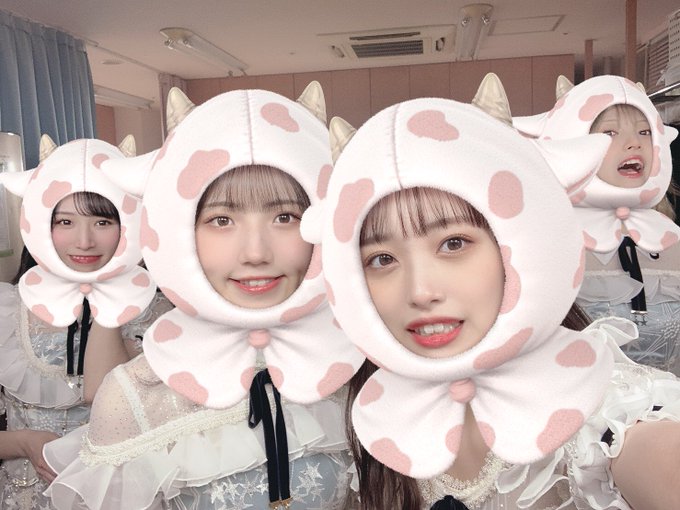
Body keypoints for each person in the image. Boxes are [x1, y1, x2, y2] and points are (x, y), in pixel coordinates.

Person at [301, 74, 680, 509]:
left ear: (515, 246)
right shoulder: (375, 410)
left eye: (453, 244)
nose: (420, 291)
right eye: (382, 259)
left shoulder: (600, 406)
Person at [44, 84, 364, 509]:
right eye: (222, 220)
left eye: (286, 217)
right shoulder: (135, 395)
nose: (255, 253)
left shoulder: (358, 366)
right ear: (181, 229)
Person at [0, 136, 159, 509]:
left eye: (103, 221)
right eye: (65, 221)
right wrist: (23, 441)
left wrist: (108, 291)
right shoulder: (6, 309)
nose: (84, 241)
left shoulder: (160, 315)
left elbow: (103, 396)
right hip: (27, 494)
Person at [514, 75, 680, 375]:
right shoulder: (546, 244)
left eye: (644, 132)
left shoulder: (670, 238)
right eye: (610, 132)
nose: (634, 143)